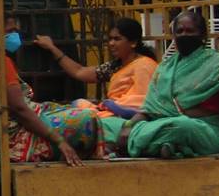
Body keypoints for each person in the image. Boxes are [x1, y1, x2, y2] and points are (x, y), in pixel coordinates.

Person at [112, 12, 219, 159]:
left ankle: (137, 144)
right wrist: (127, 126)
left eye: (190, 31)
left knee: (181, 125)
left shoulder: (217, 63)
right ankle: (166, 146)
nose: (184, 35)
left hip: (205, 130)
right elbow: (149, 109)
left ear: (202, 35)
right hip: (162, 124)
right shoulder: (165, 68)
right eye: (179, 31)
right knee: (116, 125)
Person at [0, 16, 89, 165]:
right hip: (12, 135)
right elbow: (20, 109)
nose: (15, 36)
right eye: (10, 31)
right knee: (87, 119)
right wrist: (59, 141)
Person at [34, 20, 158, 155]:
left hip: (126, 120)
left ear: (133, 42)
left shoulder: (145, 65)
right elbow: (79, 72)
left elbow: (141, 103)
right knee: (67, 107)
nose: (111, 44)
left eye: (117, 39)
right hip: (109, 113)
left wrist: (110, 106)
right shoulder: (115, 66)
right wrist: (52, 48)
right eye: (110, 39)